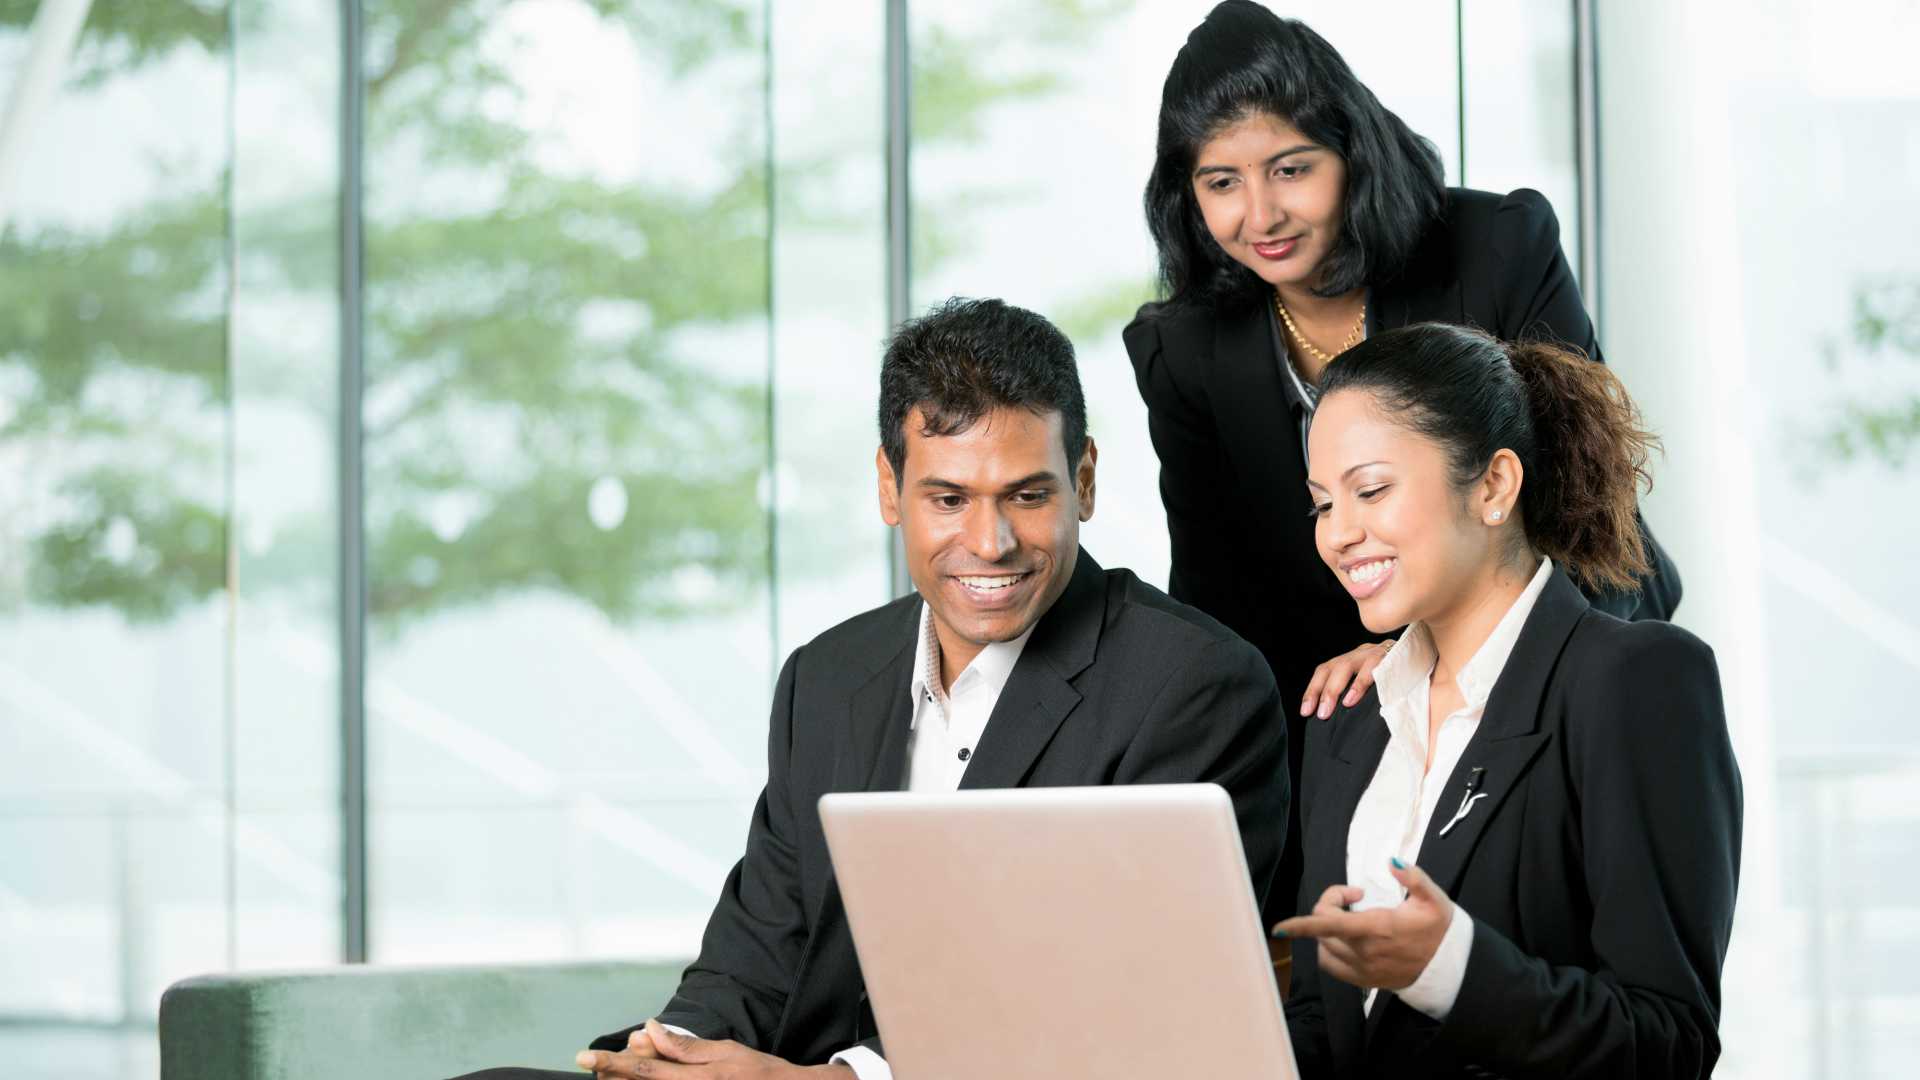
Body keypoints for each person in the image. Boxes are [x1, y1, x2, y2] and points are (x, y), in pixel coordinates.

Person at [453, 298, 1289, 1080]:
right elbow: (760, 946)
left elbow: (1118, 997)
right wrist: (677, 1056)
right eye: (949, 498)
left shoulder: (1194, 686)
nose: (990, 542)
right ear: (891, 489)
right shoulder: (828, 676)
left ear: (1087, 481)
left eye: (1028, 496)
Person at [1123, 0, 1682, 919]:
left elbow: (1586, 500)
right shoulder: (1183, 349)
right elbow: (1222, 605)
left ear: (1352, 152)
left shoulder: (1496, 250)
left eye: (1291, 169)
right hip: (1348, 723)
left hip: (1563, 648)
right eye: (1220, 182)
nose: (1258, 214)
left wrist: (1411, 657)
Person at [1270, 322, 1740, 1078]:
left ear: (1493, 485)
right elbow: (1325, 1021)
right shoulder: (1352, 712)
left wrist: (1451, 968)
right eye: (1323, 504)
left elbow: (1670, 1040)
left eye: (1371, 490)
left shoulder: (1634, 680)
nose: (1339, 534)